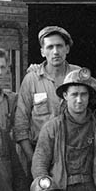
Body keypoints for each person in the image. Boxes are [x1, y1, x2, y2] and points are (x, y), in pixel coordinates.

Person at [31, 67, 96, 191]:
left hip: (94, 190)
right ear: (65, 95)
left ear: (89, 97)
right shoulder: (52, 127)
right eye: (74, 94)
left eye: (83, 94)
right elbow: (39, 165)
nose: (79, 99)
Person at [14, 26, 81, 160]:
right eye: (50, 47)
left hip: (74, 152)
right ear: (42, 52)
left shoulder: (78, 75)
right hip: (40, 151)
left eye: (59, 46)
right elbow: (21, 124)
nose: (55, 52)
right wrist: (33, 160)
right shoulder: (31, 79)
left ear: (67, 49)